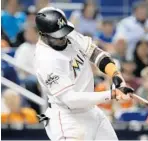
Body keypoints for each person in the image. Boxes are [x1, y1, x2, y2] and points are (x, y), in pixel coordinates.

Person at [34, 7, 134, 140]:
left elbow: (95, 53)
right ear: (43, 34)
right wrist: (112, 94)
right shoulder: (46, 59)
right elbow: (71, 99)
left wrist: (115, 74)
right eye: (58, 37)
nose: (64, 38)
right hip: (68, 119)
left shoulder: (67, 32)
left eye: (64, 33)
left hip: (91, 111)